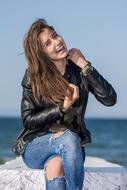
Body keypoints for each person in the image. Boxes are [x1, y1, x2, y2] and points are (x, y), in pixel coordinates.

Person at [13, 18, 117, 190]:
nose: (57, 42)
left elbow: (110, 99)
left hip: (72, 149)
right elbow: (28, 119)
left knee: (56, 167)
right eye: (48, 43)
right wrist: (62, 108)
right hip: (36, 146)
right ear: (41, 53)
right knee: (68, 137)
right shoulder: (33, 77)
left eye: (55, 36)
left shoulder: (79, 71)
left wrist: (85, 65)